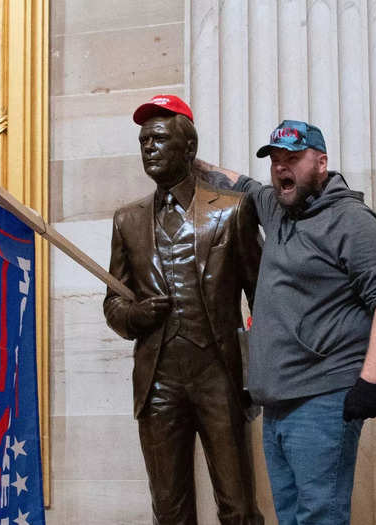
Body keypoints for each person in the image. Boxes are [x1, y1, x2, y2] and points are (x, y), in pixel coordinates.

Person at [195, 120, 376, 524]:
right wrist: (191, 161)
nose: (280, 168)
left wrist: (369, 383)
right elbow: (240, 184)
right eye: (276, 159)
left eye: (292, 159)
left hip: (323, 397)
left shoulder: (353, 221)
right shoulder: (279, 210)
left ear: (321, 163)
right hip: (277, 403)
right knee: (291, 517)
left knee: (319, 516)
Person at [103, 94, 264, 525]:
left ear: (188, 148)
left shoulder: (231, 211)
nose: (148, 149)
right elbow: (113, 303)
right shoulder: (127, 220)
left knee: (238, 507)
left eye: (158, 139)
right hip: (158, 382)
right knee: (169, 510)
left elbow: (263, 298)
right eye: (143, 142)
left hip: (220, 377)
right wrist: (133, 316)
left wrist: (262, 371)